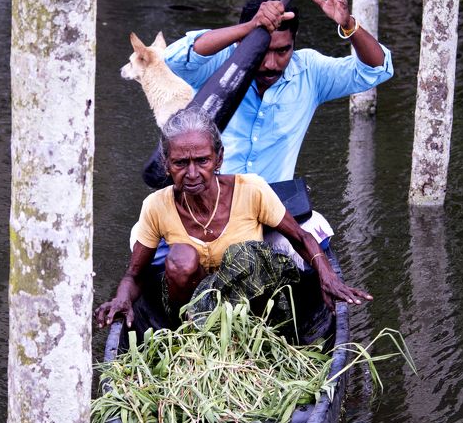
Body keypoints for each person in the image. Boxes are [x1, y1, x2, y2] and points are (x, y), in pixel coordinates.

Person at [94, 108, 371, 330]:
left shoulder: (251, 189)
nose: (192, 174)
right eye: (180, 163)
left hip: (255, 309)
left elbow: (301, 237)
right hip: (190, 315)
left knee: (246, 255)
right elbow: (135, 273)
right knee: (180, 258)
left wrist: (327, 275)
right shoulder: (156, 206)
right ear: (166, 165)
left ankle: (258, 336)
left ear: (219, 159)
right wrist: (121, 299)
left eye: (202, 161)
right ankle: (194, 339)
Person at [163, 0, 393, 184]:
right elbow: (175, 58)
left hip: (273, 206)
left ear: (294, 44)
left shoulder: (311, 71)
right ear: (242, 41)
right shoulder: (221, 62)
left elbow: (376, 70)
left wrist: (349, 25)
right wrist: (250, 26)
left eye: (283, 50)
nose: (272, 64)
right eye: (263, 51)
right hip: (208, 200)